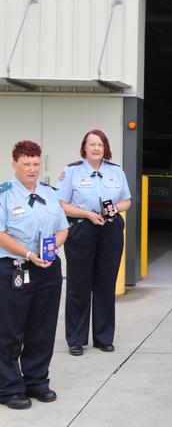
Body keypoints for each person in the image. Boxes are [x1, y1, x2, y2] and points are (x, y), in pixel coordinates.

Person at [0, 141, 68, 409]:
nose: (32, 169)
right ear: (14, 164)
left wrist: (52, 249)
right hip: (15, 269)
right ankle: (8, 387)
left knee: (42, 329)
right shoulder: (4, 195)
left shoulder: (50, 194)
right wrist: (29, 255)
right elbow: (2, 235)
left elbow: (63, 227)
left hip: (48, 269)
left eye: (36, 163)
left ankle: (36, 381)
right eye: (26, 163)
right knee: (10, 331)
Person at [58, 130, 132, 356]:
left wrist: (114, 209)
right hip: (82, 228)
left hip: (110, 228)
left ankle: (103, 337)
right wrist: (87, 214)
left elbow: (126, 201)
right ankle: (76, 339)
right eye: (92, 144)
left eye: (100, 144)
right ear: (85, 147)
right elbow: (61, 204)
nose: (96, 148)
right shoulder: (71, 171)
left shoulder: (116, 171)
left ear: (105, 147)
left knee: (105, 283)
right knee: (79, 285)